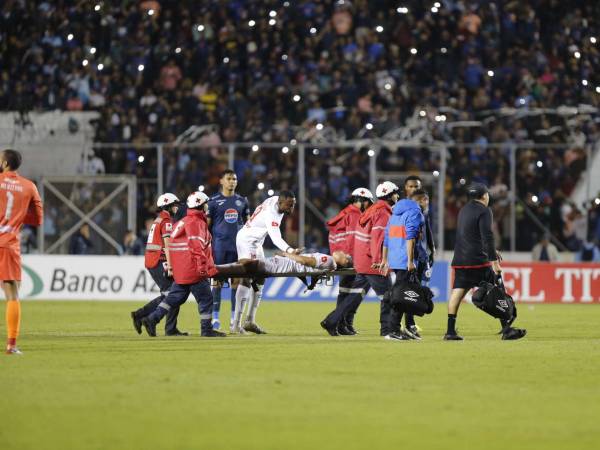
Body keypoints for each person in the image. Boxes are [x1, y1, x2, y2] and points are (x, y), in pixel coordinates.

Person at [445, 183, 526, 341]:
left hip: (460, 259)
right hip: (477, 261)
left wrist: (491, 251)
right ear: (484, 196)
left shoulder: (463, 210)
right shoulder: (484, 210)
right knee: (497, 290)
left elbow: (470, 235)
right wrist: (494, 263)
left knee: (457, 293)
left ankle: (450, 331)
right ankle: (506, 329)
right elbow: (487, 236)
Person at [141, 191, 226, 338]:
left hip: (181, 269)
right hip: (193, 269)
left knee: (174, 298)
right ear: (200, 205)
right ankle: (206, 330)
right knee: (206, 298)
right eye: (205, 203)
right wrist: (203, 270)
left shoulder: (182, 221)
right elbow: (197, 247)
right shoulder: (197, 222)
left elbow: (173, 245)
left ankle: (152, 319)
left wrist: (175, 266)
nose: (207, 206)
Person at [321, 181, 399, 338]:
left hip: (360, 260)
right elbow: (377, 238)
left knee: (353, 296)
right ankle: (388, 330)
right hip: (371, 262)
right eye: (396, 193)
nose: (398, 196)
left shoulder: (370, 211)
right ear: (389, 196)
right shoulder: (382, 213)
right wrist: (379, 260)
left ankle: (332, 320)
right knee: (388, 296)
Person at [231, 191, 300, 334]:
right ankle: (236, 324)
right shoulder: (272, 213)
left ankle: (250, 321)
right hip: (247, 241)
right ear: (281, 203)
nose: (291, 209)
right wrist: (290, 251)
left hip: (256, 243)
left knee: (262, 277)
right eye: (289, 205)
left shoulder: (275, 199)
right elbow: (275, 238)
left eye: (293, 205)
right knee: (247, 279)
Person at [0, 149, 43, 355]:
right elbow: (38, 220)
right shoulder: (29, 187)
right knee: (12, 295)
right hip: (8, 244)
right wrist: (18, 217)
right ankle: (11, 345)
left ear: (5, 163)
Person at [130, 194, 187, 336]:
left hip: (153, 260)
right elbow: (167, 246)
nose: (177, 207)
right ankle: (164, 326)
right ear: (168, 205)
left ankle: (142, 316)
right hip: (159, 261)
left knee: (170, 294)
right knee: (173, 295)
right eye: (175, 204)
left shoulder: (159, 219)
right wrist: (172, 266)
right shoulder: (166, 220)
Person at [321, 187, 373, 335]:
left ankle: (343, 324)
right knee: (362, 287)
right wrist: (357, 259)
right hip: (350, 258)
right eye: (368, 203)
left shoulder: (344, 213)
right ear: (361, 201)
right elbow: (352, 240)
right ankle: (344, 322)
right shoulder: (354, 215)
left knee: (345, 291)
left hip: (340, 258)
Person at [381, 189, 431, 340]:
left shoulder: (395, 214)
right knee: (402, 295)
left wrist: (384, 259)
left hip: (395, 259)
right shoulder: (415, 213)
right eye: (426, 200)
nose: (427, 204)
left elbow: (387, 238)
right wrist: (410, 261)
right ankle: (393, 330)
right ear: (420, 201)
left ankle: (406, 327)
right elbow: (410, 237)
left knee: (405, 294)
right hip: (405, 261)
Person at [207, 170, 250, 330]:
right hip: (219, 248)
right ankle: (215, 319)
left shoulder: (242, 201)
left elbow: (248, 225)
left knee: (236, 283)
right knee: (217, 283)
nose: (232, 181)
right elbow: (206, 227)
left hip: (237, 249)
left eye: (234, 178)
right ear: (221, 181)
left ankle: (234, 319)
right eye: (229, 178)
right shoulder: (213, 201)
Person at [403, 176, 435, 335]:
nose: (414, 188)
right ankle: (407, 324)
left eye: (417, 186)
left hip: (422, 255)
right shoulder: (402, 208)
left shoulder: (423, 207)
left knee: (417, 290)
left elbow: (428, 229)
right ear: (405, 189)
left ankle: (409, 323)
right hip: (411, 256)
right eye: (411, 186)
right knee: (409, 290)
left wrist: (432, 249)